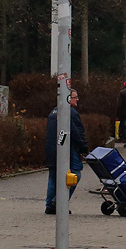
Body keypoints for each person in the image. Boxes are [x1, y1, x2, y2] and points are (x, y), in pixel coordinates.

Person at [45, 86, 87, 214]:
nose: (77, 100)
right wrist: (83, 148)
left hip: (51, 150)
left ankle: (49, 205)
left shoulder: (53, 112)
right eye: (75, 97)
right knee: (75, 173)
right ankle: (58, 202)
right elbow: (76, 132)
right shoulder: (70, 112)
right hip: (67, 149)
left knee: (53, 176)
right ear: (68, 98)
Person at [111, 79, 126, 147]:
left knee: (124, 127)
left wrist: (117, 114)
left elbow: (119, 105)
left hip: (124, 114)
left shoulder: (122, 92)